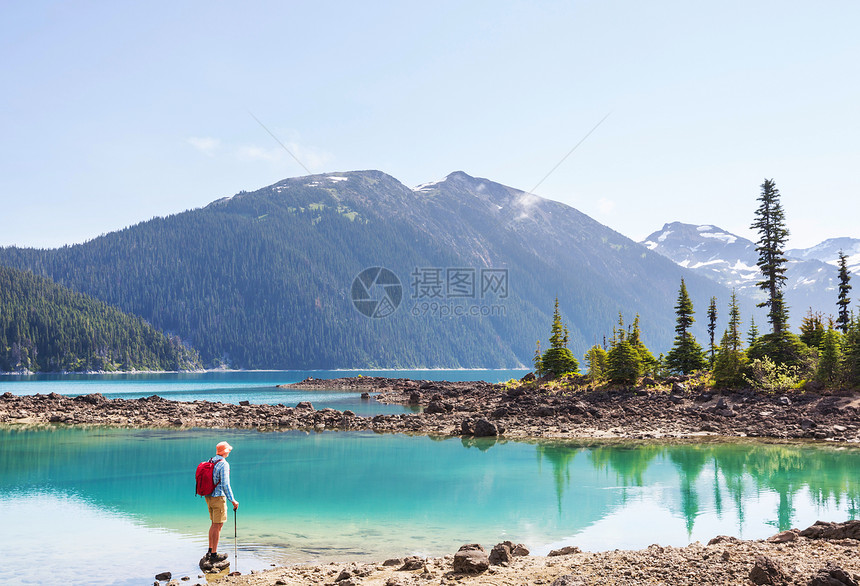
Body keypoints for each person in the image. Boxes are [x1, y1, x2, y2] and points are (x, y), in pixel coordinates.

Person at [205, 441, 239, 562]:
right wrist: (233, 500)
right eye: (228, 450)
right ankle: (214, 554)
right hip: (218, 497)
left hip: (208, 496)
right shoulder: (223, 464)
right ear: (225, 451)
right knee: (218, 525)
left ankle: (210, 550)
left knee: (214, 524)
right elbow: (225, 484)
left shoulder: (211, 460)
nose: (229, 452)